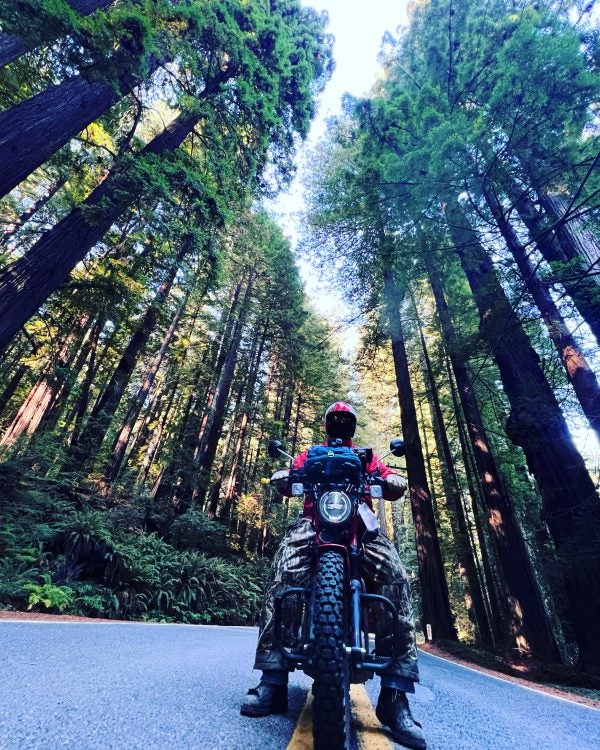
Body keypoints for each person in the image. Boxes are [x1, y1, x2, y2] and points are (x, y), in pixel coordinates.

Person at [240, 402, 426, 750]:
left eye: (346, 419)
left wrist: (393, 480)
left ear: (351, 425)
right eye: (335, 418)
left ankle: (395, 695)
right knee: (282, 572)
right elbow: (289, 477)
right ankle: (272, 679)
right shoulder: (310, 454)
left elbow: (389, 479)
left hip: (360, 527)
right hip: (314, 522)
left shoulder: (366, 457)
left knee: (395, 577)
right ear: (327, 423)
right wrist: (285, 477)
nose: (340, 423)